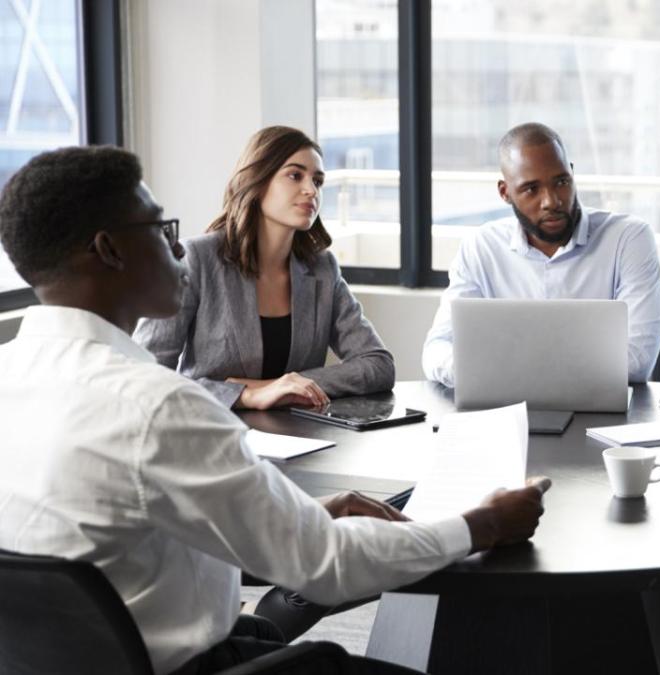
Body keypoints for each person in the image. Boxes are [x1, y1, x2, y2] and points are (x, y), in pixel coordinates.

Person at [0, 145, 551, 675]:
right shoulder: (158, 406)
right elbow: (328, 566)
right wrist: (482, 524)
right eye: (160, 230)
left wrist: (296, 516)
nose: (177, 249)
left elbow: (119, 534)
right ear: (110, 249)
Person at [134, 126, 395, 410]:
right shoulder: (197, 259)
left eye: (317, 181)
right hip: (213, 433)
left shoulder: (322, 268)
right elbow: (145, 377)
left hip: (303, 439)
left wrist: (286, 385)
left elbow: (378, 365)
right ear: (257, 181)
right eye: (295, 176)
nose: (311, 190)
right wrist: (245, 394)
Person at [421, 122, 660, 387]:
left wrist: (500, 371)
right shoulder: (481, 247)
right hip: (506, 412)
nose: (551, 201)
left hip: (602, 419)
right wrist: (476, 372)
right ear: (505, 192)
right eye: (531, 189)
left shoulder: (628, 238)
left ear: (572, 174)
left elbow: (638, 360)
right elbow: (437, 349)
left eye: (561, 182)